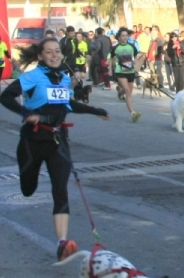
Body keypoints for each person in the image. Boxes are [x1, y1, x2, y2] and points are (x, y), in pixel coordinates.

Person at [0, 38, 109, 261]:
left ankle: (62, 243)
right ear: (40, 56)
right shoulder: (32, 77)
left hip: (58, 140)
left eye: (57, 51)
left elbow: (68, 105)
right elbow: (5, 96)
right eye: (48, 52)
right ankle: (27, 178)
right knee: (28, 189)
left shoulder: (64, 78)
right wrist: (25, 114)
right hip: (33, 141)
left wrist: (96, 110)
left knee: (61, 189)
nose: (54, 55)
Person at [107, 27, 142, 122]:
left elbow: (137, 57)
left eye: (126, 35)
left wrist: (135, 63)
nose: (125, 37)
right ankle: (133, 113)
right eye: (123, 35)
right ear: (119, 37)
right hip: (120, 72)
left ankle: (120, 90)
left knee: (129, 93)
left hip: (130, 71)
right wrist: (110, 69)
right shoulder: (116, 48)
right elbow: (111, 58)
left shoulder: (131, 46)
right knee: (127, 91)